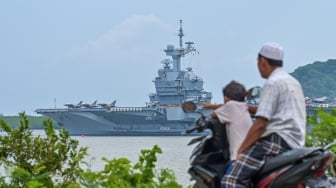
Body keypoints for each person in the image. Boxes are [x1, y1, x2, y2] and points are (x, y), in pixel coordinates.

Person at [221, 42, 306, 187]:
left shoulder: (272, 83)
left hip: (276, 141)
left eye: (257, 61)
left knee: (231, 180)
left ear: (263, 61)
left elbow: (261, 123)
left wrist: (241, 150)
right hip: (297, 143)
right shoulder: (293, 82)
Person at [204, 81, 253, 162]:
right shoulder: (244, 106)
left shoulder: (230, 106)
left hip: (239, 157)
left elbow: (211, 116)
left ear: (226, 98)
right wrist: (211, 106)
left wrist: (205, 118)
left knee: (229, 175)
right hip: (251, 153)